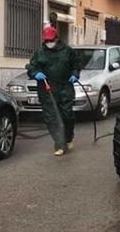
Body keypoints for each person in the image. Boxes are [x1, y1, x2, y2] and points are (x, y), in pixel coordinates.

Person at [27, 24, 82, 156]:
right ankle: (60, 144)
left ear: (57, 39)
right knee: (52, 118)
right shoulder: (39, 52)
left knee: (67, 116)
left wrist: (75, 74)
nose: (48, 43)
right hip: (47, 89)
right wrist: (35, 74)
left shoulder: (68, 51)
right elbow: (32, 67)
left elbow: (77, 64)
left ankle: (68, 137)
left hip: (65, 88)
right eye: (46, 41)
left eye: (51, 40)